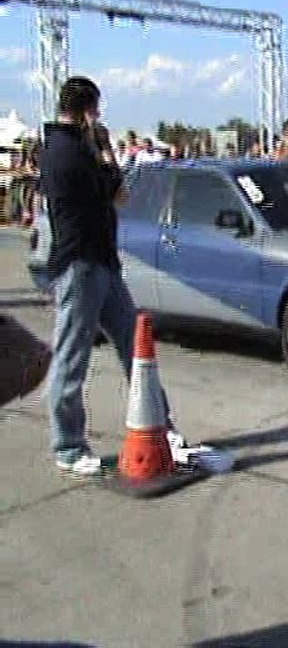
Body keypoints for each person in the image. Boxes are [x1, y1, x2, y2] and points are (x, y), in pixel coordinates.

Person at [40, 76, 188, 476]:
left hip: (101, 262)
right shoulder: (69, 151)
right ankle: (68, 446)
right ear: (88, 111)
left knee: (136, 348)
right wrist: (105, 149)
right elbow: (120, 193)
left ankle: (161, 426)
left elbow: (115, 195)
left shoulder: (66, 147)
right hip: (80, 264)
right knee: (72, 356)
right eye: (97, 110)